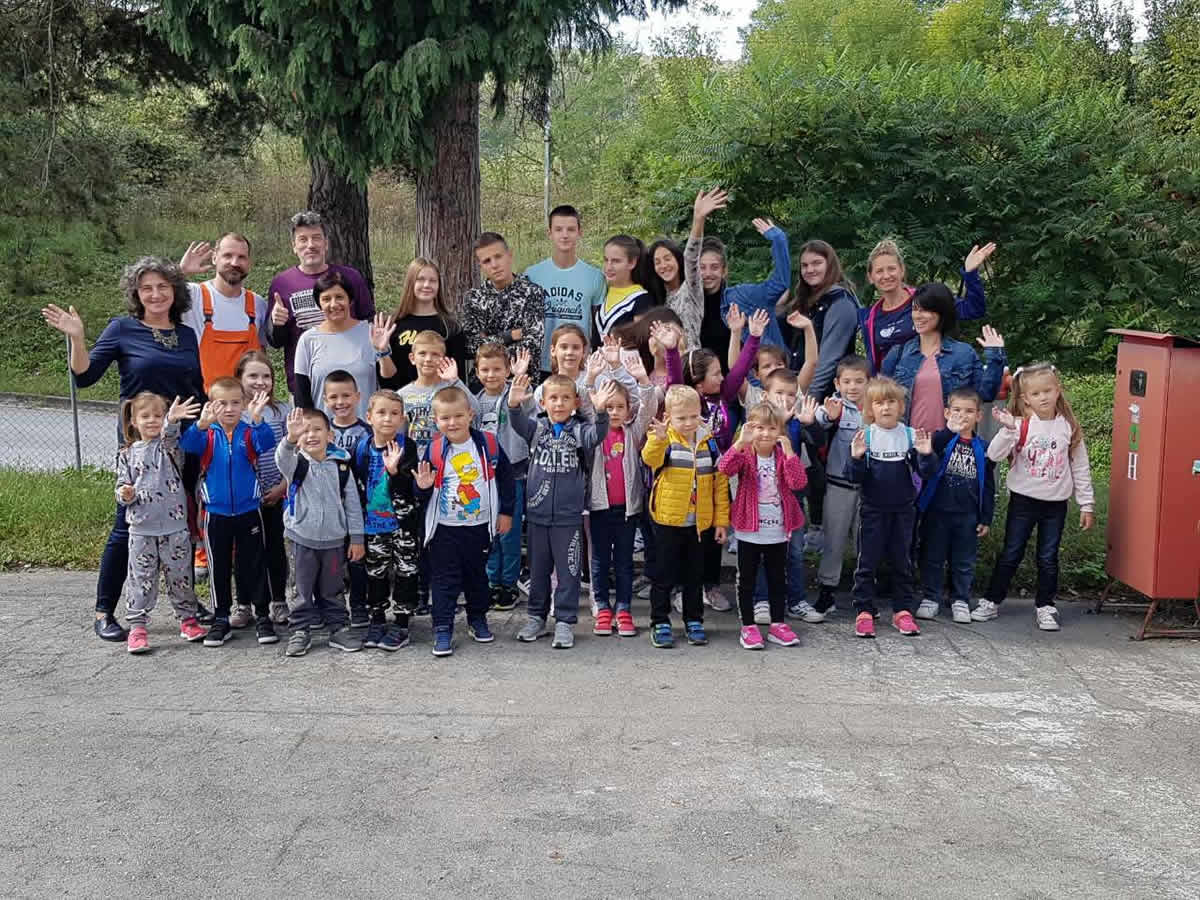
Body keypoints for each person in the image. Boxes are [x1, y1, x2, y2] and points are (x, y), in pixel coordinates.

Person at [42, 257, 206, 642]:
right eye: (146, 288)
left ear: (175, 291)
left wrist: (206, 426)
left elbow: (195, 390)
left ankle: (187, 608)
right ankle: (105, 610)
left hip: (182, 445)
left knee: (182, 524)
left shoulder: (186, 335)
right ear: (136, 293)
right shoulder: (122, 329)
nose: (155, 294)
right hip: (139, 447)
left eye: (163, 287)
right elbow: (85, 376)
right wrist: (77, 338)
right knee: (126, 526)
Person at [974, 364, 1095, 631]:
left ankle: (1045, 607)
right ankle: (991, 601)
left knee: (1048, 557)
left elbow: (1080, 466)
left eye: (1047, 391)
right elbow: (993, 455)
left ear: (1058, 390)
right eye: (1036, 393)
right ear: (1025, 398)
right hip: (1023, 502)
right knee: (1011, 553)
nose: (1043, 397)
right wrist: (1008, 430)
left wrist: (1086, 503)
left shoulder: (1068, 426)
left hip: (1056, 505)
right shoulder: (1020, 424)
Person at [507, 374, 614, 649]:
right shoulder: (537, 428)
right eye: (553, 398)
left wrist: (601, 412)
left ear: (576, 403)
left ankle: (565, 621)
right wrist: (513, 405)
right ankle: (536, 618)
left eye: (566, 398)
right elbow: (518, 423)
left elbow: (597, 435)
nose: (559, 403)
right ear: (543, 402)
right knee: (538, 571)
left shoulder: (580, 430)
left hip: (569, 517)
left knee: (568, 572)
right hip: (537, 514)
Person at [414, 387, 516, 658]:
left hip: (479, 527)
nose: (452, 422)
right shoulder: (434, 450)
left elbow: (506, 479)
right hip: (444, 529)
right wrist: (422, 487)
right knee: (444, 581)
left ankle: (477, 619)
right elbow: (422, 492)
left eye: (458, 416)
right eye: (445, 418)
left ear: (470, 415)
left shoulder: (488, 444)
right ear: (436, 420)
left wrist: (506, 512)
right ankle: (442, 627)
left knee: (477, 577)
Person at [179, 378, 278, 648]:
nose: (230, 408)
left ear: (244, 404)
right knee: (218, 567)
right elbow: (188, 445)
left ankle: (262, 615)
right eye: (222, 403)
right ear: (212, 405)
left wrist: (257, 420)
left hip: (249, 510)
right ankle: (221, 618)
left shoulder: (248, 431)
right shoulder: (207, 434)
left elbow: (266, 443)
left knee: (255, 564)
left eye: (236, 403)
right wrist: (201, 424)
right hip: (216, 513)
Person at [678, 307, 766, 611]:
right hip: (691, 476)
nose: (722, 377)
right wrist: (670, 351)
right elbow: (674, 378)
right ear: (698, 381)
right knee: (690, 534)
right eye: (715, 373)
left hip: (720, 476)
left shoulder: (724, 396)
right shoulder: (687, 400)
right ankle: (684, 587)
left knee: (716, 532)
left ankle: (711, 585)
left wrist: (751, 337)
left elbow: (739, 370)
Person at [847, 377, 937, 639]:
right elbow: (854, 477)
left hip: (904, 511)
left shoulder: (910, 435)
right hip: (872, 511)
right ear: (870, 409)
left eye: (891, 402)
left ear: (901, 407)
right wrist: (856, 459)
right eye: (879, 403)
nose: (885, 407)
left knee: (902, 562)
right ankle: (864, 610)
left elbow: (927, 472)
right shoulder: (866, 436)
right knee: (867, 562)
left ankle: (902, 610)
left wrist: (926, 454)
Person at [115, 392, 206, 653]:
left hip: (174, 528)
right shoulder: (126, 454)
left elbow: (170, 434)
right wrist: (125, 494)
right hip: (141, 529)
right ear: (134, 421)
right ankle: (137, 628)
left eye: (158, 415)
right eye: (145, 416)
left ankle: (188, 620)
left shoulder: (169, 448)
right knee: (141, 578)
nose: (152, 421)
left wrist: (173, 420)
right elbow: (121, 486)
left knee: (180, 576)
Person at [641, 385, 731, 649]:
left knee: (694, 576)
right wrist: (658, 439)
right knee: (663, 575)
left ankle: (694, 620)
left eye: (693, 416)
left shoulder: (708, 441)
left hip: (699, 524)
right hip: (668, 521)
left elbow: (720, 483)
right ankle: (660, 621)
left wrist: (721, 521)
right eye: (681, 418)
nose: (689, 422)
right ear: (668, 416)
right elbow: (650, 459)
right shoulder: (664, 437)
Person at [274, 407, 366, 656]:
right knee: (301, 590)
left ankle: (339, 628)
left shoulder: (342, 467)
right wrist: (290, 439)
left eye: (317, 429)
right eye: (304, 431)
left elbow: (353, 505)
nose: (311, 435)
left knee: (333, 589)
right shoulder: (296, 464)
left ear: (330, 435)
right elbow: (282, 458)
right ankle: (300, 631)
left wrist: (357, 538)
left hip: (334, 541)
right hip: (301, 539)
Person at [718, 403, 807, 651]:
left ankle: (778, 624)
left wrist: (790, 453)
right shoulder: (745, 454)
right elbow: (724, 468)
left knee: (777, 578)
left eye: (771, 428)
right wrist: (740, 443)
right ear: (750, 428)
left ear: (780, 431)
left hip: (777, 529)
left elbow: (798, 483)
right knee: (746, 579)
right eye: (759, 428)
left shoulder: (782, 454)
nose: (766, 434)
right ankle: (748, 626)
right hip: (749, 529)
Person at [265, 211, 375, 396]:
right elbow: (276, 341)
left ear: (326, 243)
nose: (310, 245)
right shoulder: (282, 283)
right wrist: (276, 323)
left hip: (353, 385)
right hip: (306, 386)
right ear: (294, 246)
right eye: (303, 239)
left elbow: (369, 322)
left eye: (316, 238)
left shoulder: (350, 277)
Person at [588, 362, 658, 638]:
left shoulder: (632, 433)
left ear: (628, 409)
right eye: (608, 407)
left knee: (624, 561)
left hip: (627, 510)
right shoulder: (594, 432)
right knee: (600, 561)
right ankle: (603, 607)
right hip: (599, 509)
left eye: (619, 407)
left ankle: (624, 608)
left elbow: (648, 409)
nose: (614, 412)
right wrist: (591, 379)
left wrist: (643, 380)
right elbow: (586, 408)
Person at [916, 388, 997, 624]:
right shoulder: (940, 439)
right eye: (957, 410)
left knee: (963, 560)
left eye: (969, 411)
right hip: (937, 511)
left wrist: (986, 517)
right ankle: (930, 597)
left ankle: (960, 599)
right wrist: (948, 430)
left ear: (979, 416)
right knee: (932, 556)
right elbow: (930, 451)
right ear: (946, 413)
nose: (962, 416)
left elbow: (988, 485)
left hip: (968, 515)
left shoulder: (983, 447)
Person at [879, 284, 1007, 433]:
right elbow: (881, 399)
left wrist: (994, 355)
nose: (918, 315)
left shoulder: (963, 353)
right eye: (915, 309)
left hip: (951, 441)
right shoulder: (898, 353)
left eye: (925, 310)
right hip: (907, 441)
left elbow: (986, 394)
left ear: (942, 312)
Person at [861, 238, 995, 375]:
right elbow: (873, 363)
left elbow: (974, 309)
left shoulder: (926, 298)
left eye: (891, 269)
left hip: (937, 378)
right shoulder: (869, 318)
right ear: (870, 277)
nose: (886, 275)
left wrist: (970, 273)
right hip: (892, 385)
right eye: (879, 271)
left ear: (902, 270)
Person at [351, 390, 421, 652]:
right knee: (375, 574)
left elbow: (410, 486)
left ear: (402, 418)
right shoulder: (361, 448)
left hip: (402, 526)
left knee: (406, 571)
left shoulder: (407, 446)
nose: (388, 419)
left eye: (394, 414)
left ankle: (401, 623)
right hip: (373, 526)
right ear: (369, 416)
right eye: (381, 413)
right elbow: (355, 486)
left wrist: (394, 471)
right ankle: (377, 619)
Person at [810, 356, 870, 617]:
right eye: (847, 381)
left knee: (865, 542)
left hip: (868, 488)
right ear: (837, 383)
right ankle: (827, 592)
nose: (852, 386)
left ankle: (864, 594)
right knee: (833, 540)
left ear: (869, 382)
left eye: (859, 381)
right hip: (838, 485)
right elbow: (816, 423)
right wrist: (829, 417)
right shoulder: (834, 406)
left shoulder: (874, 408)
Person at [475, 345, 534, 612]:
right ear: (477, 372)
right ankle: (492, 581)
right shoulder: (475, 400)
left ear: (507, 369)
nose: (491, 375)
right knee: (489, 532)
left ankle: (509, 583)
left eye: (497, 369)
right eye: (485, 369)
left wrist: (520, 378)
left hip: (514, 473)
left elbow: (531, 409)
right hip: (485, 477)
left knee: (509, 532)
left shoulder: (517, 391)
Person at [292, 270, 397, 419]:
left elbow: (390, 384)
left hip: (366, 428)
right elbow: (302, 396)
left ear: (350, 300)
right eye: (326, 299)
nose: (333, 304)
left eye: (339, 297)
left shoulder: (372, 334)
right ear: (319, 303)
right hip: (324, 431)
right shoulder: (307, 340)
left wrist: (383, 351)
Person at [235, 350, 292, 627]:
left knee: (275, 549)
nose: (260, 382)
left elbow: (292, 452)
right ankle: (244, 604)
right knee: (246, 552)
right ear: (240, 378)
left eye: (266, 376)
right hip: (244, 498)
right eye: (253, 376)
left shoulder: (280, 411)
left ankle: (279, 601)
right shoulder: (234, 411)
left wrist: (283, 486)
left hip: (274, 494)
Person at [177, 233, 269, 391]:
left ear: (249, 262)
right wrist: (180, 272)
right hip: (202, 400)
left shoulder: (258, 304)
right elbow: (151, 296)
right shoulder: (192, 295)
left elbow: (261, 357)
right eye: (228, 255)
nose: (235, 263)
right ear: (214, 258)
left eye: (241, 257)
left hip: (246, 402)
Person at [524, 206, 607, 378]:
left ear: (579, 232)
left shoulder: (595, 277)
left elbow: (598, 326)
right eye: (558, 229)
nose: (565, 235)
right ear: (549, 233)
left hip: (578, 365)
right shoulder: (532, 274)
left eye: (570, 229)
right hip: (541, 364)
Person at [645, 188, 729, 350]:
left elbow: (691, 258)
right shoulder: (656, 298)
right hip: (665, 363)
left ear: (678, 260)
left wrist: (698, 219)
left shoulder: (691, 289)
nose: (663, 265)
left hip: (691, 361)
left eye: (667, 258)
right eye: (657, 262)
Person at [777, 240, 860, 402]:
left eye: (817, 263)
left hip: (826, 400)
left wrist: (809, 400)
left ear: (830, 265)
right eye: (805, 265)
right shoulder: (805, 301)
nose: (810, 270)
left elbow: (828, 360)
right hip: (797, 390)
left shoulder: (840, 302)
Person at [460, 232, 546, 378]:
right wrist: (510, 336)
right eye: (487, 261)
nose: (494, 265)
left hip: (522, 380)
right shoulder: (474, 298)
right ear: (480, 266)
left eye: (498, 256)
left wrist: (487, 342)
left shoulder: (532, 293)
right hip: (483, 383)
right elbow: (470, 347)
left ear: (509, 255)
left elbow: (532, 346)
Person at [322, 370, 370, 626]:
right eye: (333, 397)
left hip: (358, 506)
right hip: (329, 507)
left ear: (358, 396)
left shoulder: (367, 432)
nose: (340, 402)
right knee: (331, 560)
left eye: (346, 396)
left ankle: (359, 605)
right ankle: (332, 606)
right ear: (325, 400)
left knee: (358, 558)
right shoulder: (320, 431)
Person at [705, 217, 791, 356]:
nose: (708, 273)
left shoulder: (741, 296)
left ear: (724, 271)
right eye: (702, 267)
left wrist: (778, 239)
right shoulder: (689, 306)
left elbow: (780, 284)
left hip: (759, 368)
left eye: (714, 267)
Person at [392, 331, 479, 454]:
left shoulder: (453, 387)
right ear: (412, 358)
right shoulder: (401, 395)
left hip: (450, 457)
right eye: (422, 353)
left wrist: (455, 381)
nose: (428, 359)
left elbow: (477, 413)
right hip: (417, 460)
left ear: (443, 359)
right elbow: (396, 434)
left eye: (435, 354)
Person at [387, 257, 468, 386]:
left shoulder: (450, 327)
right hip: (401, 396)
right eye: (420, 279)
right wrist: (382, 351)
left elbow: (459, 378)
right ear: (410, 283)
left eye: (433, 281)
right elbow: (386, 380)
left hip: (441, 397)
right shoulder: (393, 325)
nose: (426, 285)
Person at [596, 235, 653, 339]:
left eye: (616, 261)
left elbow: (641, 341)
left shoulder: (642, 299)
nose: (608, 267)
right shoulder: (601, 293)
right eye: (606, 260)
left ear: (632, 263)